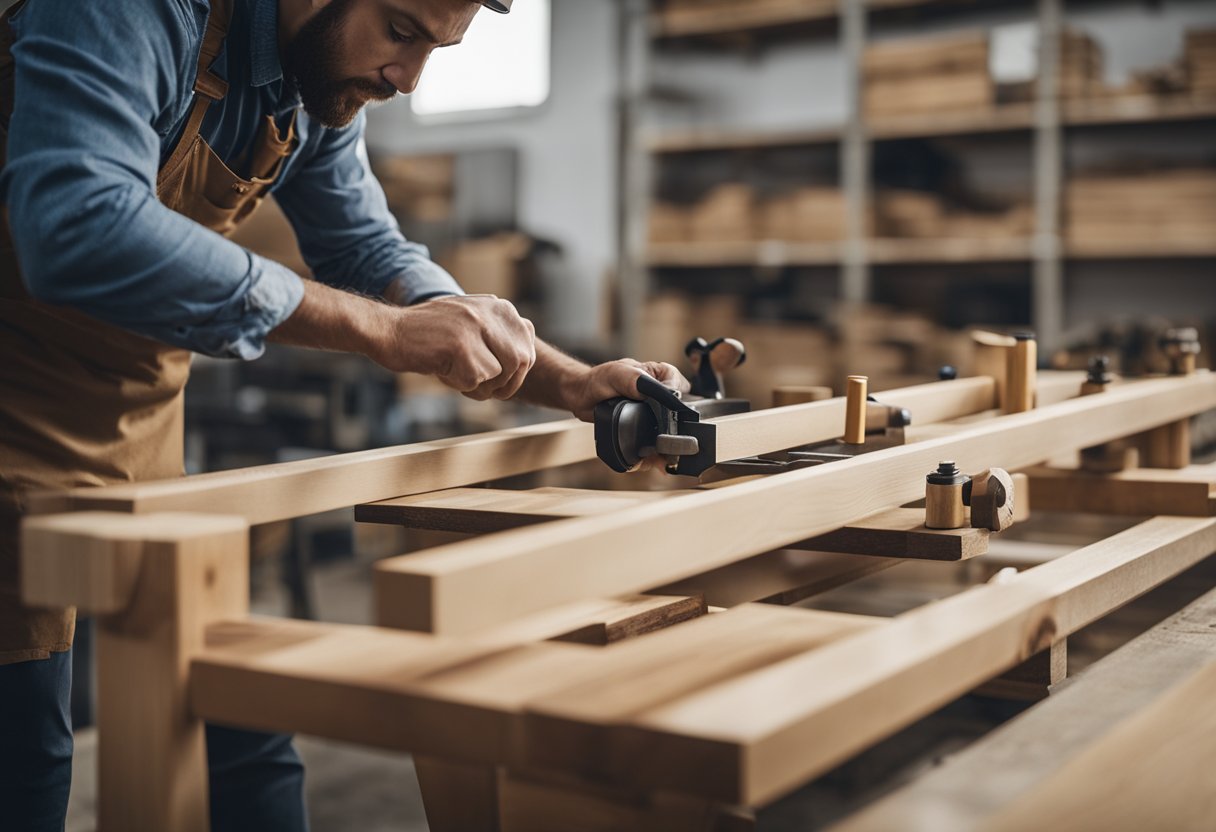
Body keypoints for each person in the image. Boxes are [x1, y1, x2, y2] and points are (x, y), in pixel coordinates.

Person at [0, 0, 687, 828]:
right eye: (399, 31)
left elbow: (367, 252)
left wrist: (573, 383)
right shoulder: (140, 9)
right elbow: (78, 225)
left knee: (240, 729)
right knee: (25, 761)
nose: (407, 78)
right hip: (8, 416)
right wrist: (386, 330)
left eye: (436, 49)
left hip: (136, 413)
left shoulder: (309, 81)